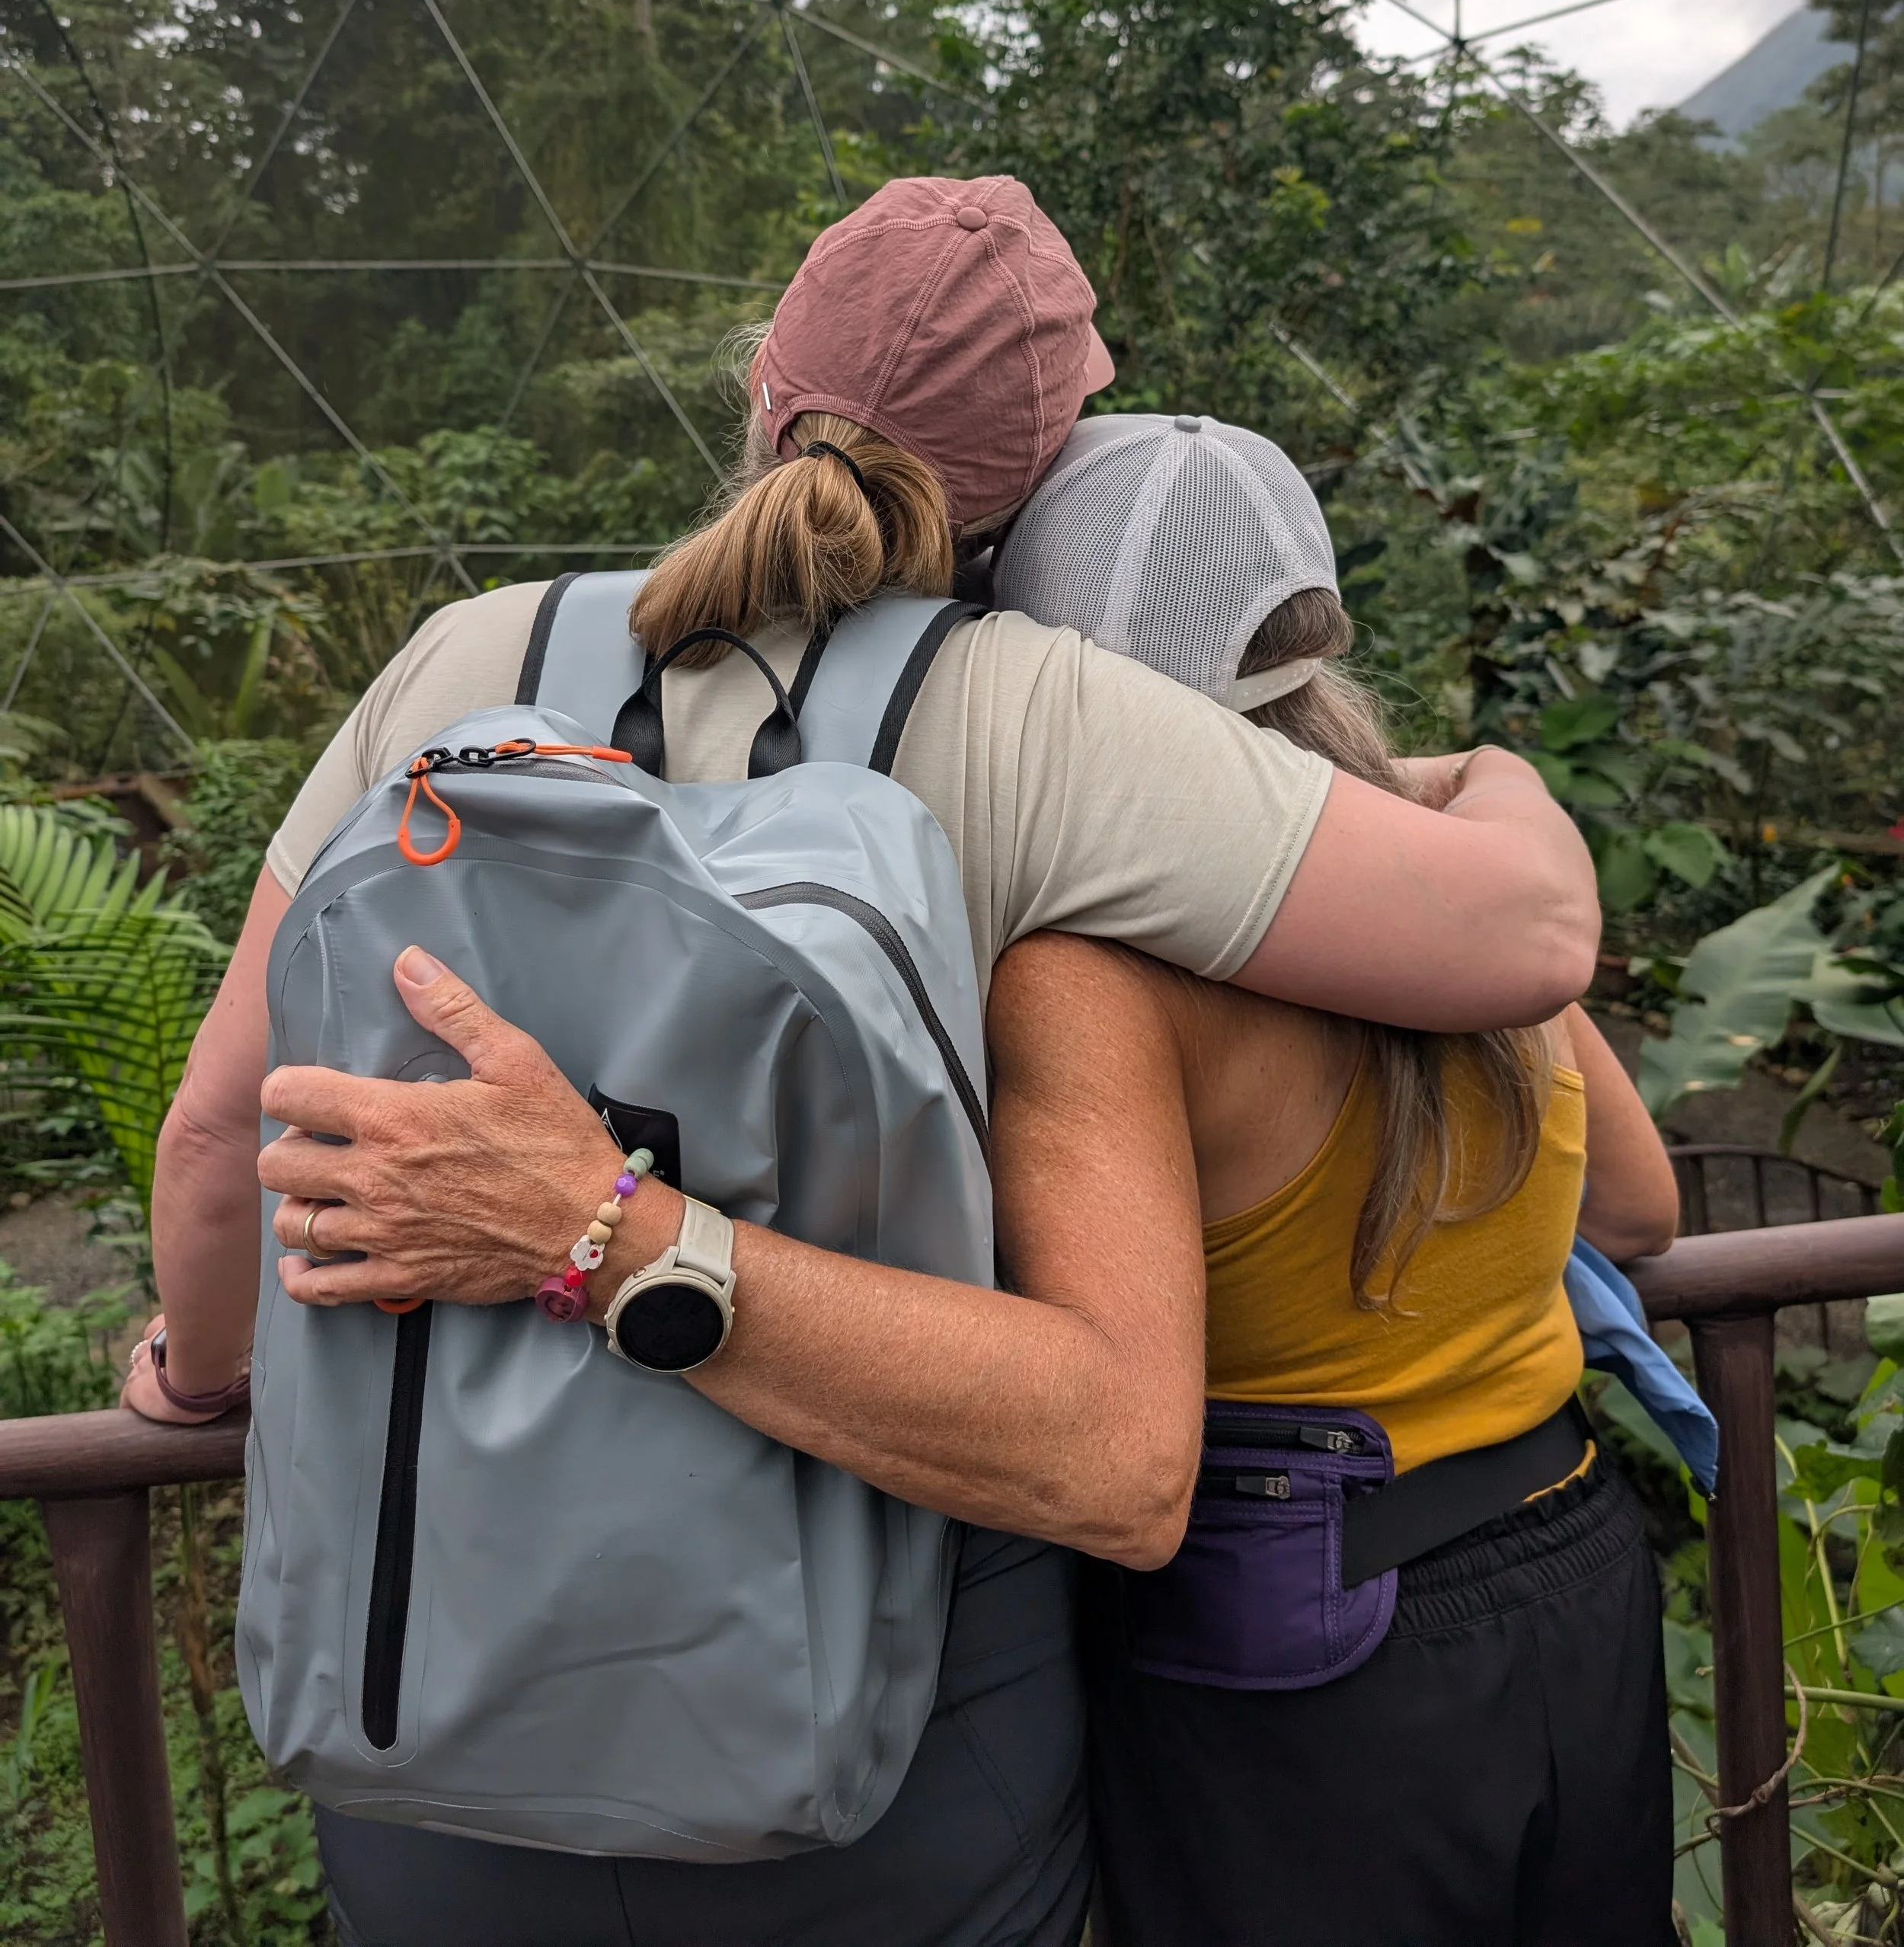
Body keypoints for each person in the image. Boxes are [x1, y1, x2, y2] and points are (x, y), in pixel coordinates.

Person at [126, 177, 1599, 1947]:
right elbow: (1520, 943)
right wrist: (1480, 770)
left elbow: (222, 1133)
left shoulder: (466, 655)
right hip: (877, 1749)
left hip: (427, 1693)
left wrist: (195, 1384)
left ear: (761, 386)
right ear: (1043, 468)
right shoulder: (1047, 716)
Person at [988, 411, 1682, 1947]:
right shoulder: (1443, 890)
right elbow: (1638, 1212)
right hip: (1571, 1570)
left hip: (1300, 1661)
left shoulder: (1091, 967)